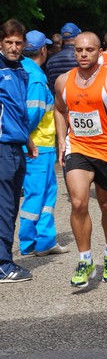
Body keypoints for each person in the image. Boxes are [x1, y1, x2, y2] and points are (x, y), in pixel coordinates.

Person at [54, 32, 107, 289]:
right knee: (78, 202)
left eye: (89, 50)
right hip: (77, 147)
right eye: (79, 50)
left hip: (106, 149)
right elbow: (59, 109)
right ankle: (85, 260)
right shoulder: (63, 81)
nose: (83, 54)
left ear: (99, 51)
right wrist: (61, 139)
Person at [19, 30, 69, 257]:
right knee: (42, 193)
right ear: (42, 50)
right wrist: (25, 140)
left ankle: (37, 241)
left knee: (39, 192)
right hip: (39, 146)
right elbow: (31, 115)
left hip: (34, 146)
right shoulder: (37, 77)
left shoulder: (20, 70)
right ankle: (37, 243)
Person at [0, 18, 38, 283]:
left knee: (11, 207)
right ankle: (3, 265)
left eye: (18, 43)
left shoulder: (21, 70)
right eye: (9, 42)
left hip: (17, 146)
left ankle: (5, 260)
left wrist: (29, 140)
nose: (14, 47)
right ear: (0, 42)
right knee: (4, 208)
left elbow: (18, 111)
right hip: (2, 148)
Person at [46, 22, 81, 94]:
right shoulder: (82, 58)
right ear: (78, 36)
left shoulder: (51, 60)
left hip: (57, 101)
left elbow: (49, 84)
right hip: (78, 100)